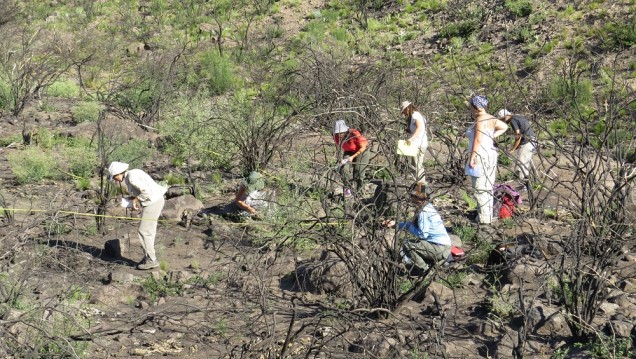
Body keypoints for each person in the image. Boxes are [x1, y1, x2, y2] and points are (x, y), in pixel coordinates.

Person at [108, 161, 167, 270]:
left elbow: (146, 192)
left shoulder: (131, 177)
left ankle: (151, 260)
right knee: (149, 231)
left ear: (119, 173)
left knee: (144, 231)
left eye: (115, 177)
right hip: (155, 201)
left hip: (153, 202)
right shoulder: (132, 174)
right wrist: (133, 200)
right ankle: (149, 257)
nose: (115, 180)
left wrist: (135, 200)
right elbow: (143, 193)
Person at [384, 183, 452, 272]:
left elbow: (422, 234)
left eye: (412, 195)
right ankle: (434, 263)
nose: (411, 198)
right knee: (416, 244)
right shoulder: (428, 207)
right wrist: (396, 224)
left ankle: (425, 271)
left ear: (417, 197)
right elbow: (411, 225)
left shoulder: (424, 212)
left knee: (406, 244)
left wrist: (409, 228)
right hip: (442, 246)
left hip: (440, 247)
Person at [465, 95, 508, 225]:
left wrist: (472, 158)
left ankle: (484, 220)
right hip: (490, 154)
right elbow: (504, 127)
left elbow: (477, 140)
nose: (470, 109)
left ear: (476, 107)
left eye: (471, 106)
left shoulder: (481, 120)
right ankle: (486, 216)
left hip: (481, 155)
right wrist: (491, 137)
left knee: (480, 187)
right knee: (488, 186)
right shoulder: (491, 118)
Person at [496, 109, 537, 182]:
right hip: (533, 140)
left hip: (527, 142)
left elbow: (518, 135)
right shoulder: (519, 117)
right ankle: (533, 181)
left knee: (521, 165)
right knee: (526, 162)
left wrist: (513, 149)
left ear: (506, 116)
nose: (503, 121)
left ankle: (524, 184)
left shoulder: (512, 120)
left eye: (502, 119)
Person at [333, 120, 370, 197]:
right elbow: (339, 148)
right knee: (343, 169)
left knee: (358, 172)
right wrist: (341, 159)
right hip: (349, 151)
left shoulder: (354, 133)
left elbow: (363, 147)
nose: (340, 135)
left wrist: (352, 157)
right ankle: (347, 191)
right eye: (338, 133)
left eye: (342, 132)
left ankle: (358, 194)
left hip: (362, 151)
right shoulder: (336, 137)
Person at [400, 101, 428, 184]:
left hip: (419, 144)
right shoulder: (414, 116)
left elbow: (419, 128)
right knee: (414, 165)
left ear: (408, 108)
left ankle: (421, 186)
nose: (404, 113)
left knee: (417, 166)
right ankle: (417, 184)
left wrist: (411, 139)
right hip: (416, 144)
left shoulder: (415, 115)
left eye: (404, 111)